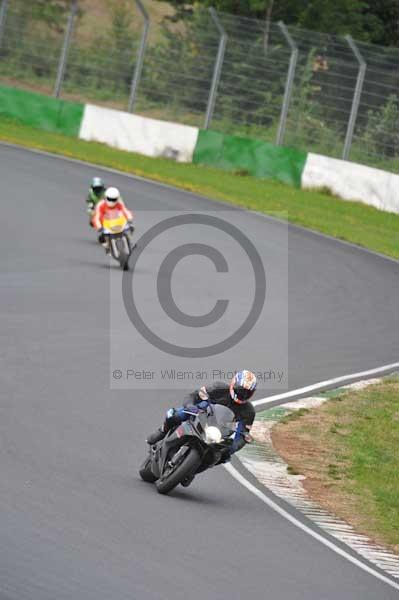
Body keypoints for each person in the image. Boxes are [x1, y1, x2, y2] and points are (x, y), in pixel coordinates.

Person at [147, 370, 257, 466]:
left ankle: (194, 468)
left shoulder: (248, 412)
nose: (243, 394)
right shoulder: (218, 388)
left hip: (220, 432)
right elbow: (193, 396)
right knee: (177, 414)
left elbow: (242, 434)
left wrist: (232, 448)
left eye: (247, 392)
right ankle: (163, 430)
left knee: (223, 456)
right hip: (201, 415)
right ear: (234, 383)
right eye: (241, 390)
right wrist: (191, 406)